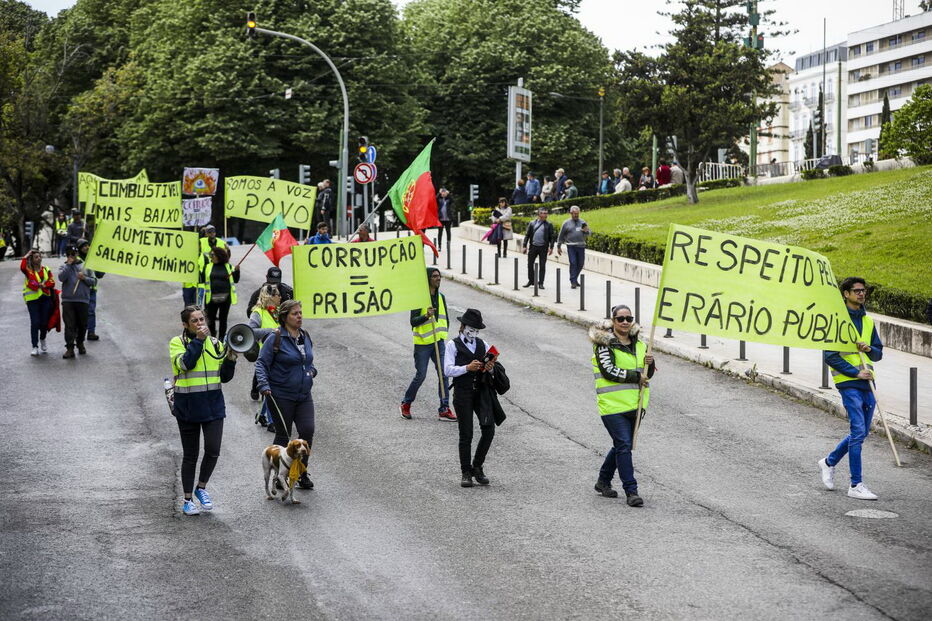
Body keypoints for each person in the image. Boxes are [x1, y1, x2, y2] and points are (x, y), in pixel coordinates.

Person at [819, 277, 884, 501]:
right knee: (858, 432)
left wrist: (868, 349)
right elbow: (830, 356)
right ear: (845, 294)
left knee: (862, 432)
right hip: (848, 383)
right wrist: (855, 373)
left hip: (868, 383)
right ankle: (855, 484)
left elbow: (878, 354)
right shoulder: (837, 321)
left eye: (863, 291)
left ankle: (829, 462)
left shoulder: (867, 321)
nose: (861, 294)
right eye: (856, 291)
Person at [170, 305, 238, 516]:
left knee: (213, 449)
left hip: (213, 404)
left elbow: (225, 377)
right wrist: (198, 341)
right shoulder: (177, 343)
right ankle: (188, 499)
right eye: (195, 321)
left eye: (202, 319)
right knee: (190, 455)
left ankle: (201, 488)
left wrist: (231, 358)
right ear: (185, 325)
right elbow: (186, 364)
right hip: (188, 406)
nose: (200, 324)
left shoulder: (216, 343)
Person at [589, 305, 655, 507]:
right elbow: (608, 371)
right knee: (625, 445)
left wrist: (650, 364)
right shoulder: (604, 345)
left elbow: (648, 374)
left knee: (621, 444)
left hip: (635, 405)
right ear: (613, 321)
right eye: (620, 319)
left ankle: (603, 481)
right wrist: (637, 376)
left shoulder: (641, 344)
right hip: (612, 406)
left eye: (629, 318)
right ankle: (631, 491)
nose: (625, 322)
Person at [255, 299, 317, 490]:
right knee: (283, 436)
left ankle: (299, 473)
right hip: (280, 394)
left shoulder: (304, 335)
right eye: (294, 314)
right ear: (284, 317)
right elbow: (261, 363)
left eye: (300, 312)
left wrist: (312, 371)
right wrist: (264, 385)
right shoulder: (275, 338)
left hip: (303, 394)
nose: (299, 316)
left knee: (307, 431)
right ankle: (279, 476)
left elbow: (308, 360)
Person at [444, 308, 503, 487]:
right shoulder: (452, 345)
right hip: (463, 393)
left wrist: (491, 366)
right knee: (466, 433)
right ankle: (465, 472)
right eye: (471, 329)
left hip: (481, 392)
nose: (474, 333)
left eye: (477, 330)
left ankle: (477, 466)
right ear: (462, 327)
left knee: (489, 429)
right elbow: (447, 370)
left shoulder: (483, 344)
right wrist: (466, 368)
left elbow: (493, 366)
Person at [401, 268, 455, 421]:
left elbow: (445, 319)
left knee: (444, 374)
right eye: (435, 276)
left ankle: (444, 408)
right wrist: (426, 316)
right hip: (423, 343)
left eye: (439, 276)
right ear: (428, 279)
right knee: (421, 375)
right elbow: (413, 321)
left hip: (438, 342)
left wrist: (442, 335)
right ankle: (406, 403)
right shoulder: (419, 298)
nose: (438, 279)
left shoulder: (441, 297)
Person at [248, 283, 282, 429]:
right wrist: (271, 331)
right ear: (270, 297)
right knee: (271, 388)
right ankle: (272, 421)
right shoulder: (257, 312)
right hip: (266, 354)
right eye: (278, 295)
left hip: (280, 352)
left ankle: (262, 415)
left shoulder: (278, 310)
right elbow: (251, 331)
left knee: (274, 386)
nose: (281, 297)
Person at [58, 244, 96, 359]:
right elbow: (61, 278)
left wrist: (84, 278)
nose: (70, 256)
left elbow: (94, 282)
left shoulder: (86, 266)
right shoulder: (64, 266)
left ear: (77, 254)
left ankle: (80, 342)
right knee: (69, 325)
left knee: (82, 324)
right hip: (68, 300)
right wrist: (68, 265)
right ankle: (70, 348)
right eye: (68, 254)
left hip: (82, 300)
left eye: (73, 254)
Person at [201, 246, 240, 341]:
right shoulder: (207, 267)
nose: (211, 257)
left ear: (219, 256)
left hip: (226, 298)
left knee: (223, 319)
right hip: (211, 298)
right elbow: (202, 279)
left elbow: (235, 280)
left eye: (213, 255)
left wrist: (237, 271)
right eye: (210, 255)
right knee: (210, 318)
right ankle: (213, 334)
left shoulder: (229, 267)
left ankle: (222, 338)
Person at [21, 249, 55, 356]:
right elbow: (22, 267)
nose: (39, 258)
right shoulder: (28, 270)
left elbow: (52, 281)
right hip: (32, 300)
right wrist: (26, 256)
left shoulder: (46, 269)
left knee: (44, 322)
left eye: (39, 256)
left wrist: (44, 285)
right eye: (36, 257)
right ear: (32, 259)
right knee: (35, 323)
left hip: (45, 298)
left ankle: (43, 339)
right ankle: (34, 346)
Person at [557, 206, 590, 289]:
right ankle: (573, 281)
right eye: (575, 214)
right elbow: (561, 235)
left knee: (580, 264)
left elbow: (589, 233)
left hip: (581, 245)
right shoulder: (566, 223)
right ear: (571, 213)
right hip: (571, 246)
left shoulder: (582, 222)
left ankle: (574, 278)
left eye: (577, 214)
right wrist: (559, 246)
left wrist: (586, 231)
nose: (576, 215)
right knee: (573, 262)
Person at [522, 207, 555, 289]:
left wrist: (551, 247)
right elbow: (527, 235)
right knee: (530, 264)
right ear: (539, 214)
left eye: (546, 213)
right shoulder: (532, 223)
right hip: (533, 247)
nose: (545, 215)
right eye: (543, 213)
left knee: (542, 266)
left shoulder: (549, 224)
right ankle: (531, 280)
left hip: (543, 248)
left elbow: (552, 237)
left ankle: (541, 283)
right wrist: (524, 246)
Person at [77, 239, 103, 341]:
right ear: (79, 248)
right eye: (83, 246)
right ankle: (79, 332)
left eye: (87, 245)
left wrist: (103, 266)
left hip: (92, 289)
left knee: (91, 311)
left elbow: (99, 275)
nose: (86, 247)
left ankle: (91, 332)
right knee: (81, 312)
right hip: (81, 290)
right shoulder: (77, 260)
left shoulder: (93, 259)